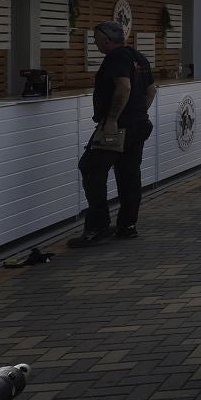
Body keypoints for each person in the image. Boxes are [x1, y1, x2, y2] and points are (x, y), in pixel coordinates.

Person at [70, 20, 158, 246]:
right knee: (129, 174)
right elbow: (151, 90)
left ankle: (98, 226)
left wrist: (112, 119)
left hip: (117, 128)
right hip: (138, 125)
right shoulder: (139, 57)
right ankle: (127, 225)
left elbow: (124, 87)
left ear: (107, 39)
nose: (95, 42)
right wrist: (138, 114)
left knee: (90, 168)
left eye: (97, 39)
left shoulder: (116, 58)